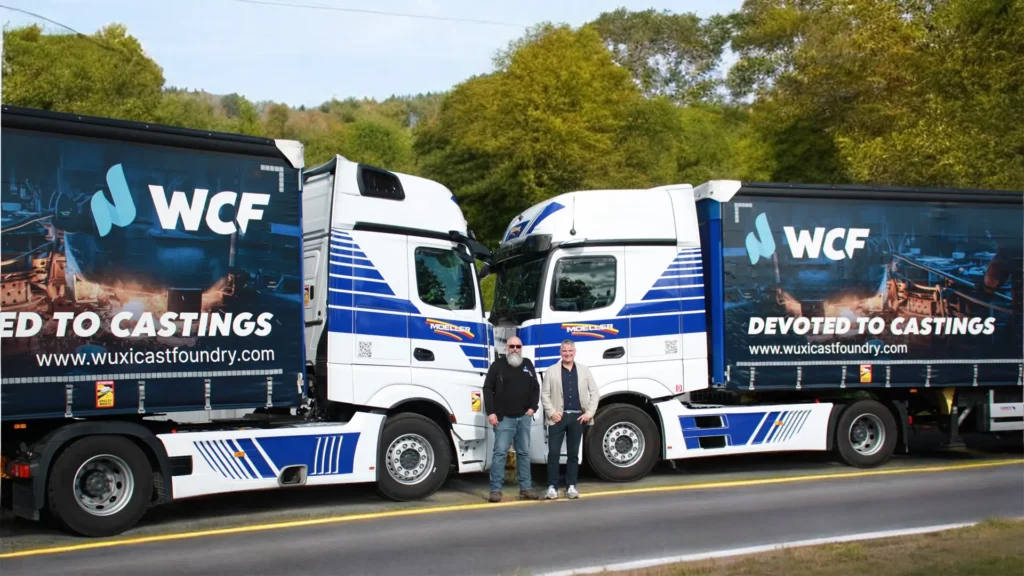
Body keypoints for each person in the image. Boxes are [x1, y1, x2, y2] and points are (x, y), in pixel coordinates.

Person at [482, 335, 540, 502]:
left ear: (521, 349)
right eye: (512, 346)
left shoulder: (528, 364)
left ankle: (526, 488)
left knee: (524, 453)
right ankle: (495, 490)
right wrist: (491, 412)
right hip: (503, 419)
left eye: (518, 347)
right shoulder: (497, 366)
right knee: (500, 453)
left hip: (524, 418)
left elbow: (536, 388)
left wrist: (532, 408)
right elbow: (487, 388)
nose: (515, 349)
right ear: (506, 348)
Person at [541, 339, 598, 499]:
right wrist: (552, 412)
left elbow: (594, 392)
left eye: (570, 351)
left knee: (573, 454)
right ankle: (552, 487)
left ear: (574, 352)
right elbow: (545, 394)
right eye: (564, 351)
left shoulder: (584, 371)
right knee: (553, 453)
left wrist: (589, 413)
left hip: (577, 417)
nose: (567, 354)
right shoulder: (551, 370)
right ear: (560, 352)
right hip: (558, 417)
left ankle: (571, 486)